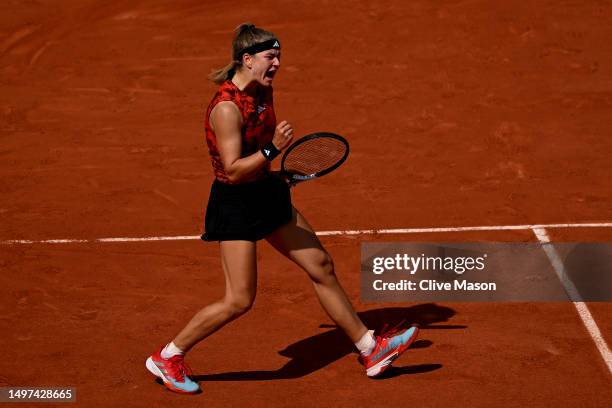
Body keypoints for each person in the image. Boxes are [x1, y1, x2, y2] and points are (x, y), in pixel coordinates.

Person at [145, 23, 419, 394]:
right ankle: (168, 356)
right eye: (270, 57)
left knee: (320, 264)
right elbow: (233, 169)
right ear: (247, 59)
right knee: (239, 299)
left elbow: (256, 158)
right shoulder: (226, 108)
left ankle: (371, 349)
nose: (277, 63)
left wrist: (275, 176)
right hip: (236, 204)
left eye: (279, 56)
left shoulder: (262, 91)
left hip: (266, 193)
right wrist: (273, 150)